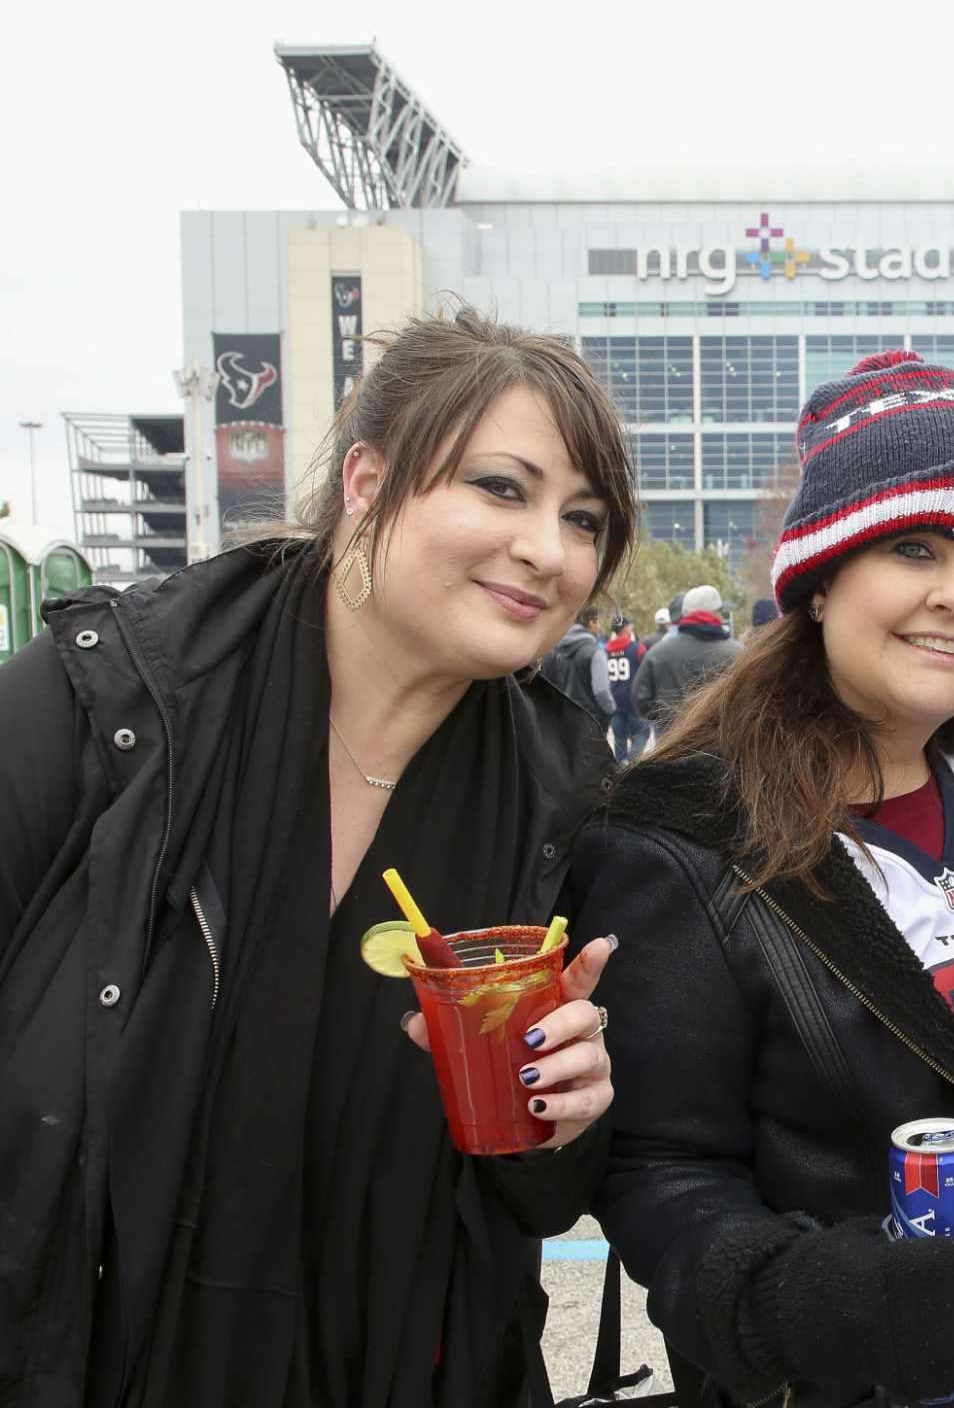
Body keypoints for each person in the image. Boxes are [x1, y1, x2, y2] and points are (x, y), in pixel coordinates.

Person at [0, 307, 630, 1407]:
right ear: (364, 480)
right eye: (500, 487)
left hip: (405, 1364)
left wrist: (565, 1113)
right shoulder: (110, 705)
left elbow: (540, 1193)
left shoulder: (558, 796)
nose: (549, 550)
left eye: (583, 518)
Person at [571, 350, 954, 1407]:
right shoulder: (683, 839)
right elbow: (661, 1169)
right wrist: (803, 1303)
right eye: (912, 549)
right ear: (819, 580)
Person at [633, 582, 741, 727]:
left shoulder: (658, 654)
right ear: (716, 613)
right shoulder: (738, 654)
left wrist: (667, 722)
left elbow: (640, 698)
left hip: (675, 743)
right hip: (723, 743)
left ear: (685, 614)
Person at [542, 604, 614, 726]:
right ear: (591, 623)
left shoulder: (556, 648)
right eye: (598, 623)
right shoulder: (595, 652)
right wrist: (611, 710)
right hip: (591, 719)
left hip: (563, 716)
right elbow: (601, 691)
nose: (600, 627)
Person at [603, 614, 650, 762]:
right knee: (643, 733)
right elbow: (646, 673)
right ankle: (631, 763)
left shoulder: (605, 650)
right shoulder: (637, 648)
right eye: (629, 626)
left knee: (619, 740)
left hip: (615, 702)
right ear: (624, 628)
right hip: (634, 702)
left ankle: (621, 768)